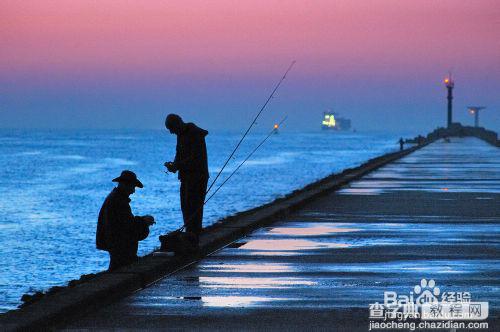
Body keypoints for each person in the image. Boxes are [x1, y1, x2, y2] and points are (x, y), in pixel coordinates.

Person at [96, 170, 155, 271]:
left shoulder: (115, 198)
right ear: (124, 185)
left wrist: (141, 220)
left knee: (116, 268)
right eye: (132, 187)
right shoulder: (118, 201)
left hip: (114, 244)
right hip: (119, 246)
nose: (133, 191)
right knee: (119, 269)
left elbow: (126, 222)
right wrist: (144, 222)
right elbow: (128, 227)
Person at [164, 114, 208, 246]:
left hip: (197, 177)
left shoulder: (194, 134)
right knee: (185, 207)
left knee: (193, 208)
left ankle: (193, 239)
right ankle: (190, 238)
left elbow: (195, 158)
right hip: (186, 177)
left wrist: (178, 165)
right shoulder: (181, 134)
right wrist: (174, 166)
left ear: (178, 124)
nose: (171, 132)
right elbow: (180, 154)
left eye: (171, 129)